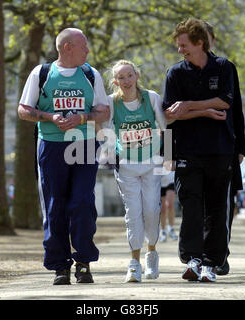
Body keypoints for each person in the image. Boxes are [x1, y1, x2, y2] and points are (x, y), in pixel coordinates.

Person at [18, 28, 109, 285]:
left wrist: (82, 118)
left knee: (81, 202)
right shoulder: (42, 73)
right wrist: (50, 117)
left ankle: (83, 262)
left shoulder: (91, 74)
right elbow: (23, 110)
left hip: (83, 144)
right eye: (84, 46)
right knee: (54, 205)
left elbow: (103, 112)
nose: (88, 51)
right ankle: (60, 266)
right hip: (51, 145)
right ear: (67, 47)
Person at [163, 18, 235, 282]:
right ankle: (192, 259)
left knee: (217, 208)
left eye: (184, 45)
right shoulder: (175, 74)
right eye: (179, 46)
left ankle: (212, 263)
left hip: (219, 150)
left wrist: (188, 105)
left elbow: (226, 103)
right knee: (190, 207)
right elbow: (169, 115)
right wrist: (168, 153)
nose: (180, 50)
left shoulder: (225, 67)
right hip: (186, 152)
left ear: (200, 43)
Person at [105, 59, 166, 283]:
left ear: (136, 76)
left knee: (151, 210)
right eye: (121, 77)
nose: (126, 81)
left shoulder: (151, 98)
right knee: (133, 214)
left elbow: (165, 127)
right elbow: (107, 131)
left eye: (129, 75)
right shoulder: (112, 102)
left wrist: (168, 161)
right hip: (127, 167)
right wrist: (112, 157)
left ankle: (152, 252)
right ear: (115, 82)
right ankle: (134, 264)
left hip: (151, 164)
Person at [204, 21, 245, 276]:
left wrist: (240, 146)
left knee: (223, 205)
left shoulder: (225, 68)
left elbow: (236, 109)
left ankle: (220, 255)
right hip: (193, 151)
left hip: (224, 148)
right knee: (197, 207)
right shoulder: (180, 72)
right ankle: (201, 256)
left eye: (205, 38)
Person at [159, 170, 178, 242]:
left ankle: (171, 228)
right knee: (162, 209)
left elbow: (170, 162)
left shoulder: (168, 158)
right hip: (159, 180)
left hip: (171, 179)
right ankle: (163, 231)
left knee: (169, 204)